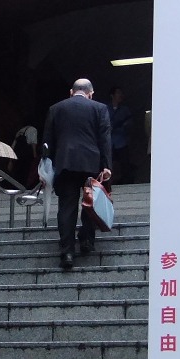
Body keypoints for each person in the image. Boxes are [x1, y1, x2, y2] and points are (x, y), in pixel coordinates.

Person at [41, 78, 112, 270]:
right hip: (91, 163)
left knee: (67, 207)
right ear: (91, 93)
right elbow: (105, 138)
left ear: (71, 92)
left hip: (65, 163)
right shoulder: (100, 108)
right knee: (91, 201)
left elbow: (47, 141)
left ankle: (67, 252)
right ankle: (87, 239)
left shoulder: (56, 108)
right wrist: (106, 166)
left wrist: (45, 167)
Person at [106, 86, 133, 187]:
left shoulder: (125, 110)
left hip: (121, 141)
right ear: (112, 95)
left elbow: (130, 123)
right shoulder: (105, 108)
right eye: (118, 93)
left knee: (124, 163)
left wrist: (124, 126)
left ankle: (126, 183)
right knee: (108, 164)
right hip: (109, 141)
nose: (120, 95)